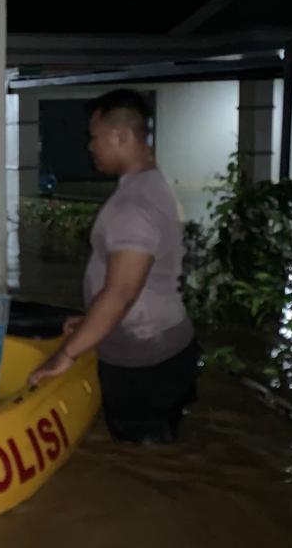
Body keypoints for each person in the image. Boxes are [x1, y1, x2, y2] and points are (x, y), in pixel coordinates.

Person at [28, 89, 199, 444]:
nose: (90, 147)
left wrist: (66, 354)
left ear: (120, 136)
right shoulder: (153, 184)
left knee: (140, 466)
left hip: (143, 362)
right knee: (163, 453)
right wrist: (93, 322)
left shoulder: (133, 205)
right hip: (164, 350)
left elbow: (121, 293)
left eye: (94, 137)